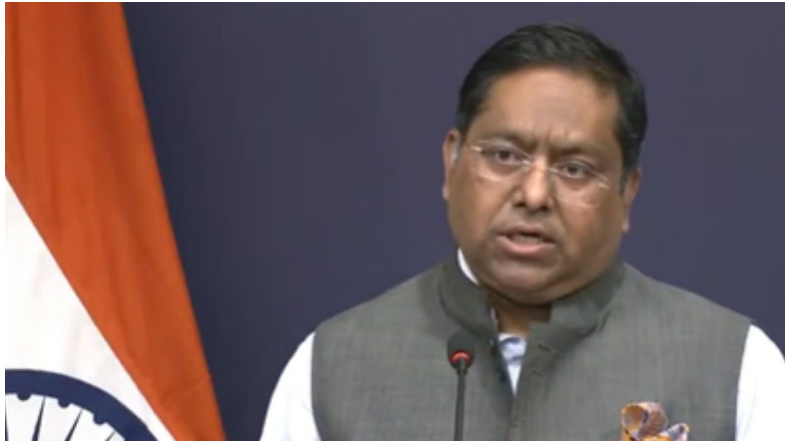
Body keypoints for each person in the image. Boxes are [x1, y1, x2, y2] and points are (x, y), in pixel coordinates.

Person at [260, 22, 784, 441]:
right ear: (451, 162)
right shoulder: (330, 370)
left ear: (627, 192)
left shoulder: (737, 367)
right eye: (505, 156)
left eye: (575, 168)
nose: (534, 194)